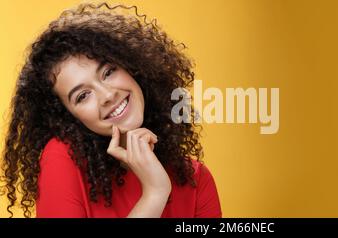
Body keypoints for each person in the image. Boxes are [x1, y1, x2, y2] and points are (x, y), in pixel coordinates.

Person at [1, 2, 221, 218]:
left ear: (132, 66)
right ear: (68, 116)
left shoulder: (196, 180)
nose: (107, 95)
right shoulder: (61, 160)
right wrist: (154, 194)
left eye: (108, 72)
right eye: (83, 96)